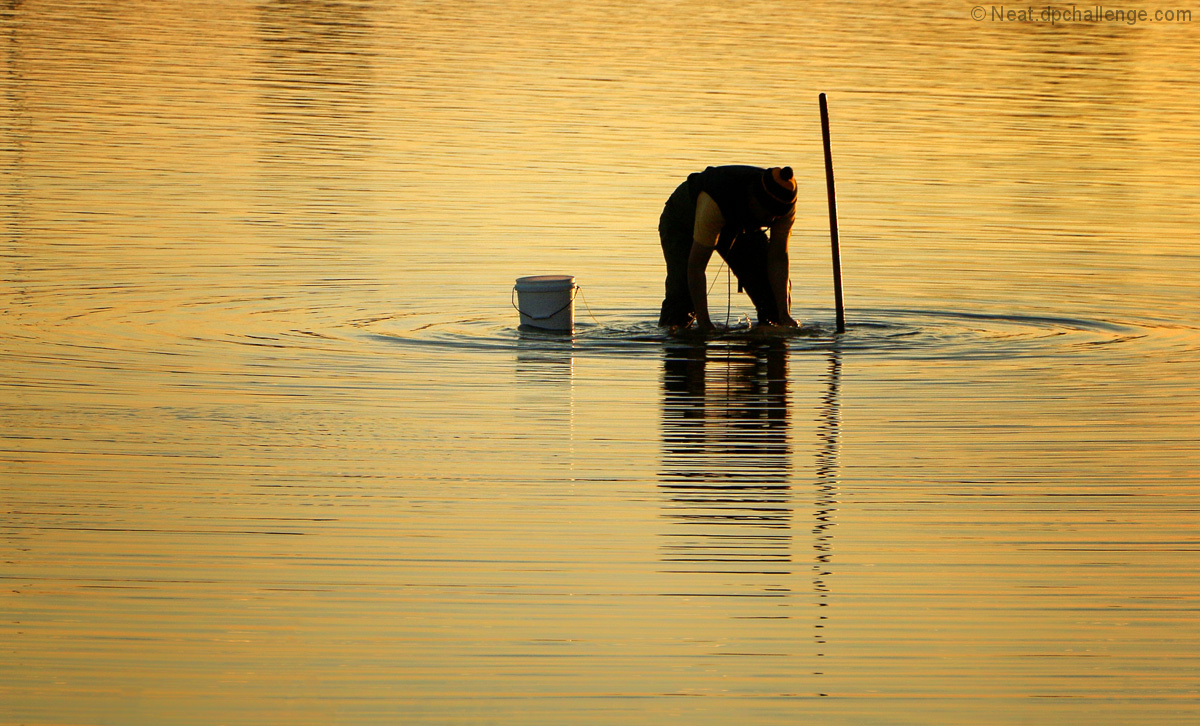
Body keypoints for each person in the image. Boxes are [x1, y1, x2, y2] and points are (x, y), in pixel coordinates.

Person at [657, 165, 799, 331]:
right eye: (767, 215)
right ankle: (676, 343)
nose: (771, 219)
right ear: (753, 199)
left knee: (771, 299)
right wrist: (705, 324)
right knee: (683, 300)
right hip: (684, 218)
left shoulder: (784, 206)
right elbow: (696, 267)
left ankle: (768, 341)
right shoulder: (715, 199)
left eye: (775, 217)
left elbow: (778, 258)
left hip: (741, 226)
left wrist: (784, 314)